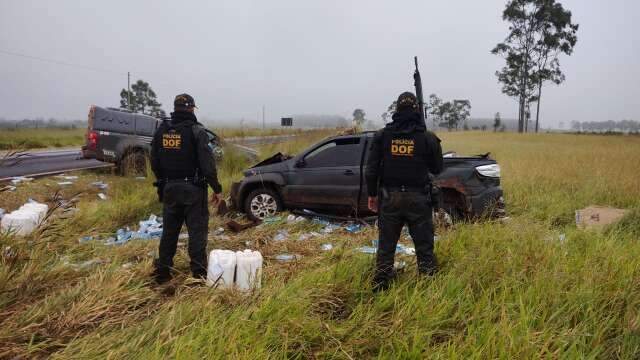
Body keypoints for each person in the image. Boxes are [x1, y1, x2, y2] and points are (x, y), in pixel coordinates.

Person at [365, 91, 443, 291]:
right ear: (417, 110)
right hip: (419, 199)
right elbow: (437, 168)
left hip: (389, 199)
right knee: (424, 248)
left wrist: (372, 195)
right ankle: (428, 290)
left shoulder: (382, 136)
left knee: (386, 248)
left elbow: (371, 169)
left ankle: (381, 289)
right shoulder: (427, 137)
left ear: (396, 110)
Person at [150, 93, 222, 284]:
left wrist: (163, 182)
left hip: (170, 189)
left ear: (175, 108)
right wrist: (217, 188)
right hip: (193, 190)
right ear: (191, 109)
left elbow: (154, 160)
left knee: (169, 233)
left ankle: (163, 272)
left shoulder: (162, 130)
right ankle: (198, 275)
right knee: (197, 233)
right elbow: (207, 165)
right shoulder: (197, 131)